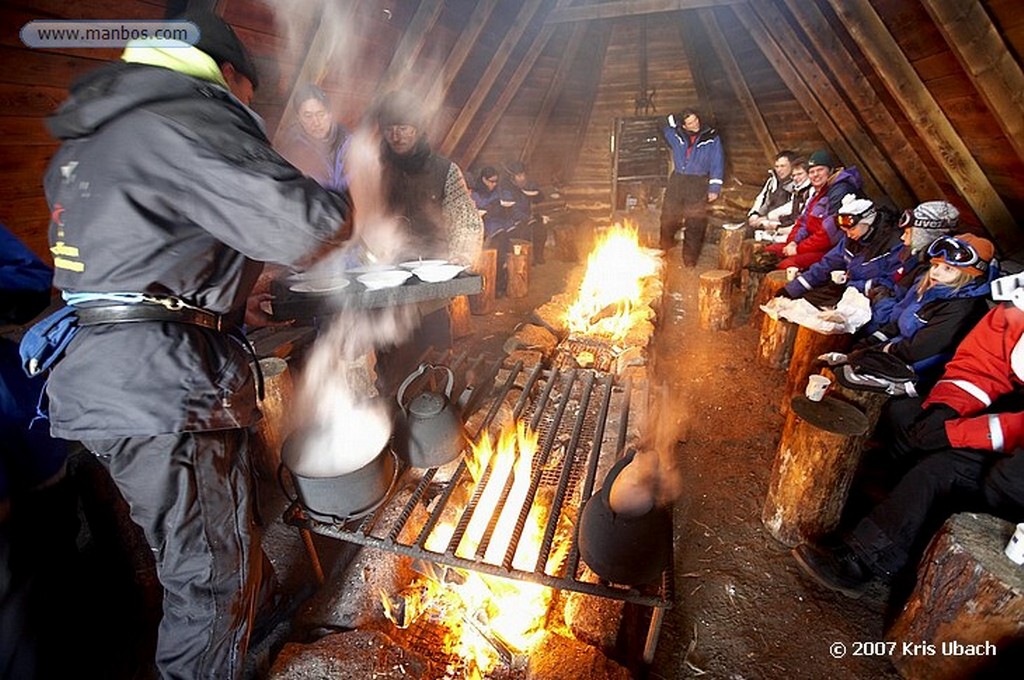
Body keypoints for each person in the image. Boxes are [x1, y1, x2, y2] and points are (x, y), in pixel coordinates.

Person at [29, 11, 353, 679]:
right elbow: (305, 223)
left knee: (207, 545)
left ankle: (255, 630)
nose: (244, 107)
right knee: (208, 579)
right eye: (246, 94)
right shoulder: (185, 109)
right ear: (226, 71)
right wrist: (359, 188)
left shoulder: (94, 135)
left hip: (104, 370)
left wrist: (228, 302)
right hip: (160, 383)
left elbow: (146, 252)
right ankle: (216, 650)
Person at [792, 290, 1024, 599]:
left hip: (1016, 450)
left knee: (942, 470)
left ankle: (865, 561)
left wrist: (961, 432)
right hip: (1008, 409)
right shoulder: (1019, 302)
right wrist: (948, 409)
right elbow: (984, 360)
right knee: (907, 418)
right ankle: (881, 513)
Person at [374, 90, 483, 387]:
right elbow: (360, 219)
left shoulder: (444, 170)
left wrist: (463, 254)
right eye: (390, 128)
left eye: (404, 127)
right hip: (388, 280)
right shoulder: (375, 170)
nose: (397, 135)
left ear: (418, 128)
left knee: (434, 353)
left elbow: (466, 219)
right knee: (392, 356)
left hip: (432, 280)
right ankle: (395, 414)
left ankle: (435, 409)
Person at [854, 233, 996, 391]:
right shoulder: (932, 289)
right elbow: (901, 322)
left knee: (849, 372)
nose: (935, 272)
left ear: (968, 276)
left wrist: (874, 352)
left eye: (948, 268)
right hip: (899, 351)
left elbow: (917, 350)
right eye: (935, 265)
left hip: (916, 372)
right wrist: (870, 342)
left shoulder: (961, 308)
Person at [779, 197, 904, 309]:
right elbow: (827, 264)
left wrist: (851, 285)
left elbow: (889, 284)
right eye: (845, 231)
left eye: (852, 229)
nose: (848, 234)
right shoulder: (851, 240)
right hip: (845, 290)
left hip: (869, 301)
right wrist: (792, 289)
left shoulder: (893, 244)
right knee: (802, 304)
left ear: (867, 222)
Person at [763, 149, 864, 271]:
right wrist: (793, 242)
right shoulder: (819, 192)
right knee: (769, 252)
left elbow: (829, 235)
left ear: (830, 170)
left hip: (830, 250)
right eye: (811, 172)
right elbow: (803, 222)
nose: (815, 175)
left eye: (820, 170)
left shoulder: (840, 191)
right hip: (810, 245)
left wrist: (799, 249)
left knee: (787, 265)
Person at [658, 109, 724, 266]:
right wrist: (676, 118)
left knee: (694, 221)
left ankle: (689, 260)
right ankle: (664, 249)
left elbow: (717, 162)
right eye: (690, 122)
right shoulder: (675, 135)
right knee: (668, 216)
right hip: (678, 180)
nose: (695, 124)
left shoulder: (711, 137)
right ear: (684, 126)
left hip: (698, 182)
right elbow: (662, 123)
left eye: (696, 120)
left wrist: (714, 188)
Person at [276, 83, 350, 191]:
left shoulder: (349, 143)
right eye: (308, 116)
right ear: (299, 118)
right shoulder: (292, 151)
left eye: (320, 114)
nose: (316, 122)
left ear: (330, 114)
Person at [502, 160, 547, 264]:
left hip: (527, 217)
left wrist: (538, 194)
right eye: (518, 176)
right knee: (524, 232)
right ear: (513, 177)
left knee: (540, 229)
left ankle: (538, 256)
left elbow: (539, 198)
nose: (522, 178)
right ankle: (525, 260)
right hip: (513, 221)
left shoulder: (529, 185)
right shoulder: (507, 190)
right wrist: (526, 218)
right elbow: (512, 210)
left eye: (523, 175)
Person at [747, 150, 795, 229]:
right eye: (777, 166)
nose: (779, 170)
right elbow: (761, 198)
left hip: (781, 224)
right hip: (762, 221)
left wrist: (768, 217)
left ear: (792, 166)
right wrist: (754, 214)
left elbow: (791, 207)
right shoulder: (772, 181)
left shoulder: (797, 184)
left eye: (783, 166)